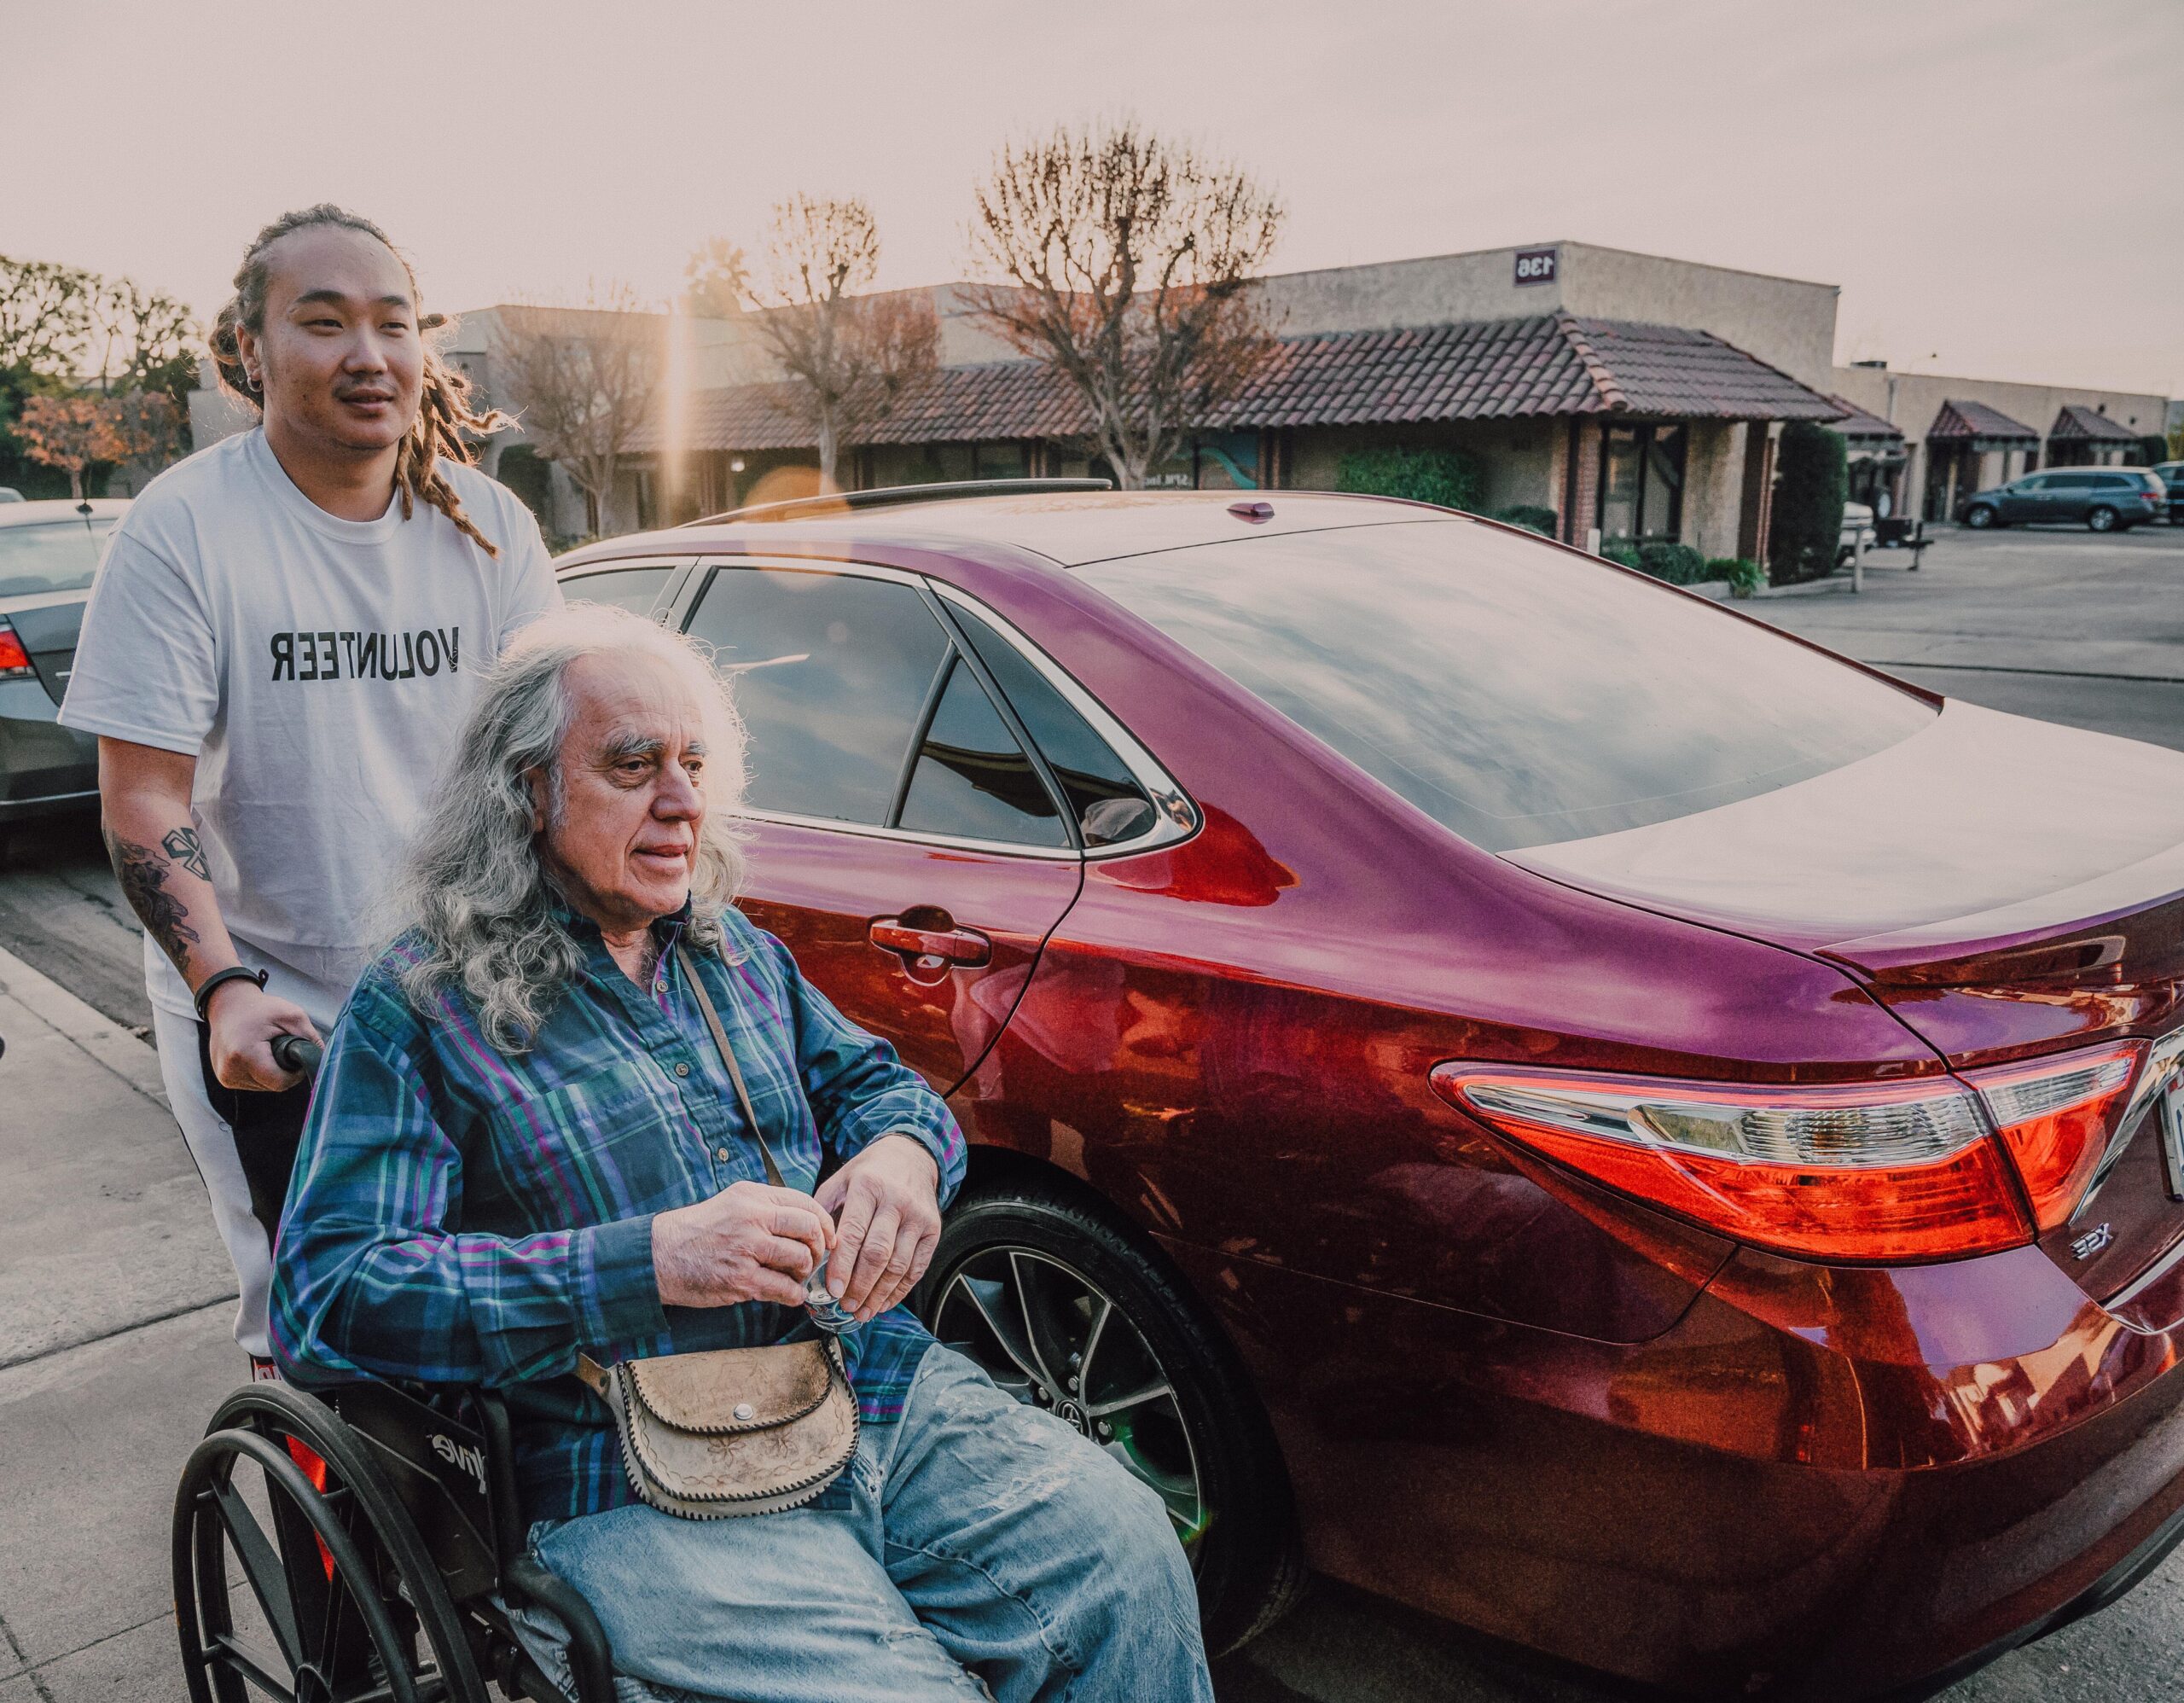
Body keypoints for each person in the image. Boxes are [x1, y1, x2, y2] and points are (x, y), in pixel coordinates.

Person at [269, 607, 1213, 1703]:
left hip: (861, 1390)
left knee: (1129, 1555)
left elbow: (879, 1087)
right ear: (528, 790)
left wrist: (904, 1158)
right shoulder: (423, 1008)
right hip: (621, 1469)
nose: (681, 800)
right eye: (633, 765)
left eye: (696, 764)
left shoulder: (730, 951)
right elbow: (326, 1292)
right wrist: (651, 1260)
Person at [58, 206, 561, 1366]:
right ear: (248, 350)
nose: (368, 355)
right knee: (314, 1318)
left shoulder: (489, 529)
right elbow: (145, 797)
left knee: (504, 1298)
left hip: (469, 991)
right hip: (275, 1008)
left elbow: (547, 761)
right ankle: (323, 1540)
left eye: (393, 324)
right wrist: (223, 988)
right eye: (324, 323)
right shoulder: (183, 530)